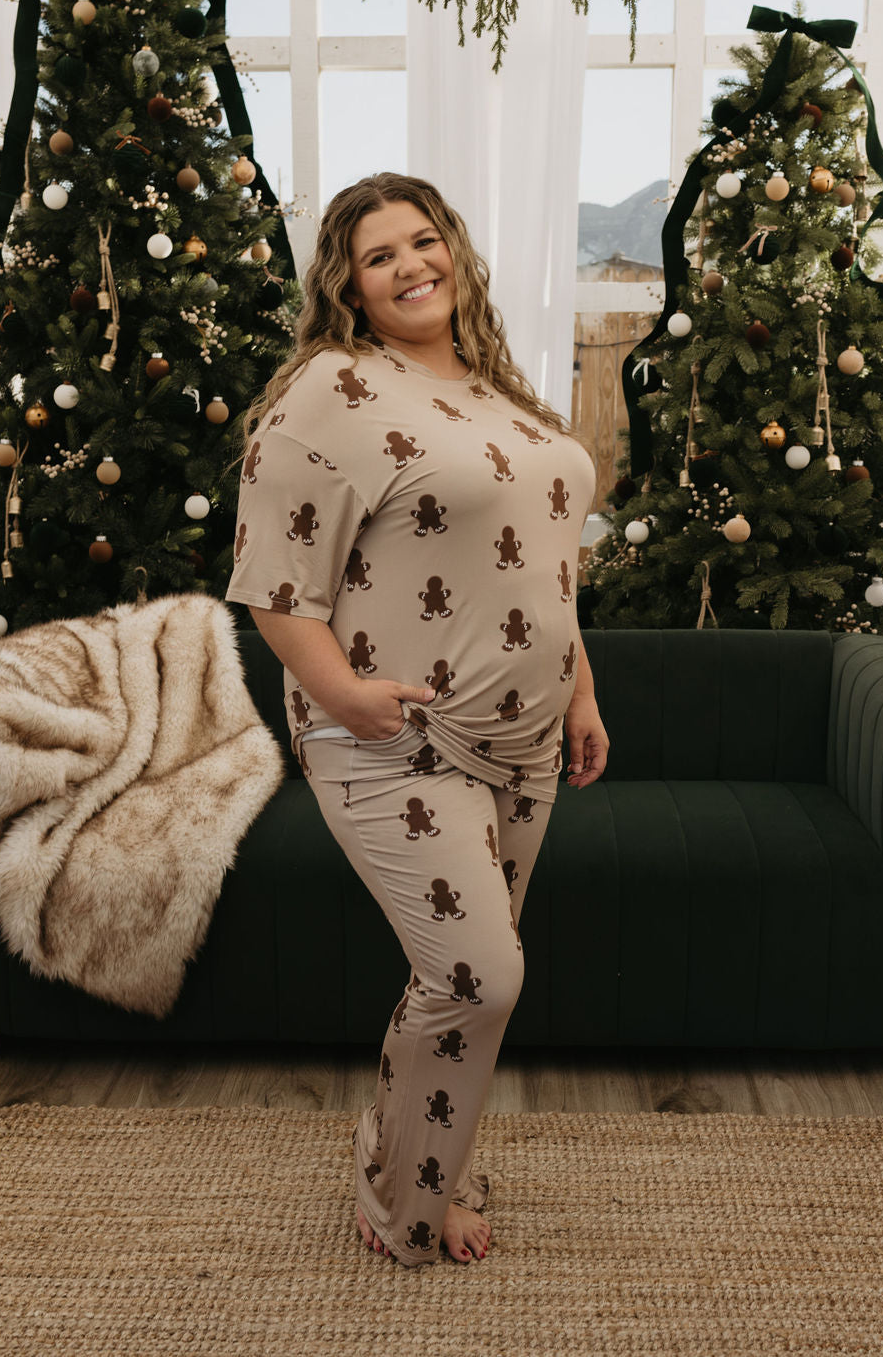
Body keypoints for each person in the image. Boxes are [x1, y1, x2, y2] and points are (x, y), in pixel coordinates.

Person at [226, 172, 609, 1267]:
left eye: (422, 240)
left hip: (527, 733)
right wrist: (340, 694)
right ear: (346, 283)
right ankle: (398, 1188)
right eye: (378, 253)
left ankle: (439, 1159)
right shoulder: (332, 389)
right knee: (477, 971)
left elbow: (543, 564)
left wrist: (580, 689)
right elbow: (269, 580)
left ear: (454, 250)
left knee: (466, 982)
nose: (409, 265)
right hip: (398, 736)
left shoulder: (498, 389)